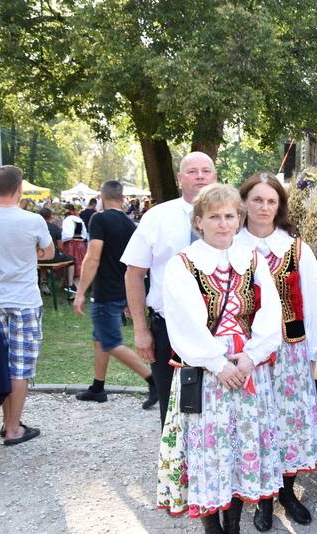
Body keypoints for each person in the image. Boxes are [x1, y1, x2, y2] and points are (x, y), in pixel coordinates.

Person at [157, 183, 283, 534]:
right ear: (199, 221)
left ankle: (234, 526)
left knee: (242, 445)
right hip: (206, 370)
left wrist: (252, 356)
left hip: (246, 366)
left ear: (239, 219)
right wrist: (218, 363)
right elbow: (184, 324)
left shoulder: (253, 259)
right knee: (209, 449)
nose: (223, 224)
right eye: (214, 217)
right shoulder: (183, 264)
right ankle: (213, 529)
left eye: (229, 216)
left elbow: (270, 312)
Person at [235, 172, 317, 531]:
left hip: (290, 350)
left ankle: (287, 493)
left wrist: (312, 349)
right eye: (257, 199)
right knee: (255, 423)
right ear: (244, 203)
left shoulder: (296, 248)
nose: (264, 207)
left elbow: (315, 302)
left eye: (271, 201)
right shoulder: (231, 245)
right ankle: (262, 500)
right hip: (248, 352)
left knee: (289, 422)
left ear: (280, 206)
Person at [121, 151, 218, 427]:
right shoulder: (158, 217)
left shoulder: (232, 217)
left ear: (215, 176)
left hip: (221, 329)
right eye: (192, 171)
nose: (200, 176)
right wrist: (141, 330)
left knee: (218, 409)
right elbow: (134, 274)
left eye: (206, 171)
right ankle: (175, 456)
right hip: (168, 330)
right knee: (173, 410)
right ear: (179, 178)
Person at [0, 165, 54, 445]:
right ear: (20, 188)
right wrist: (32, 251)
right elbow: (48, 252)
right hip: (23, 300)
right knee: (20, 366)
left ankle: (6, 421)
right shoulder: (33, 220)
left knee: (2, 363)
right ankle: (13, 429)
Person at [73, 180, 159, 409]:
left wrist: (80, 292)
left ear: (101, 198)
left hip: (106, 292)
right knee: (100, 339)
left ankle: (154, 382)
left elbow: (93, 258)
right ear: (123, 199)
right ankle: (97, 388)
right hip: (122, 289)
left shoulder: (99, 219)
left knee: (110, 342)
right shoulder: (131, 224)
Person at [37, 207, 76, 295]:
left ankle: (44, 280)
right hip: (52, 257)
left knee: (43, 259)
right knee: (71, 260)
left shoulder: (34, 228)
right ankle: (70, 284)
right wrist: (61, 252)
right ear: (51, 216)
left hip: (38, 258)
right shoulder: (55, 228)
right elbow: (60, 247)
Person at [61, 203, 88, 294]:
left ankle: (75, 289)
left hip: (71, 244)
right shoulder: (79, 219)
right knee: (78, 265)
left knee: (72, 265)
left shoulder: (68, 220)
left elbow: (68, 235)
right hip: (80, 244)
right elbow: (84, 234)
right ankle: (68, 285)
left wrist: (61, 240)